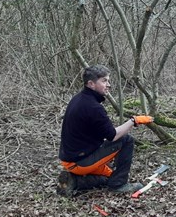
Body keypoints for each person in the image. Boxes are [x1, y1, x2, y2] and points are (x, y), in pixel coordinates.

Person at [57, 64, 152, 196]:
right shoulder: (93, 107)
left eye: (108, 80)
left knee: (110, 174)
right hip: (80, 162)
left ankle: (74, 181)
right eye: (104, 81)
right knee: (127, 140)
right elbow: (113, 136)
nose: (108, 85)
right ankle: (119, 185)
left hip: (69, 159)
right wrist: (134, 121)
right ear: (91, 84)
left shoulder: (79, 99)